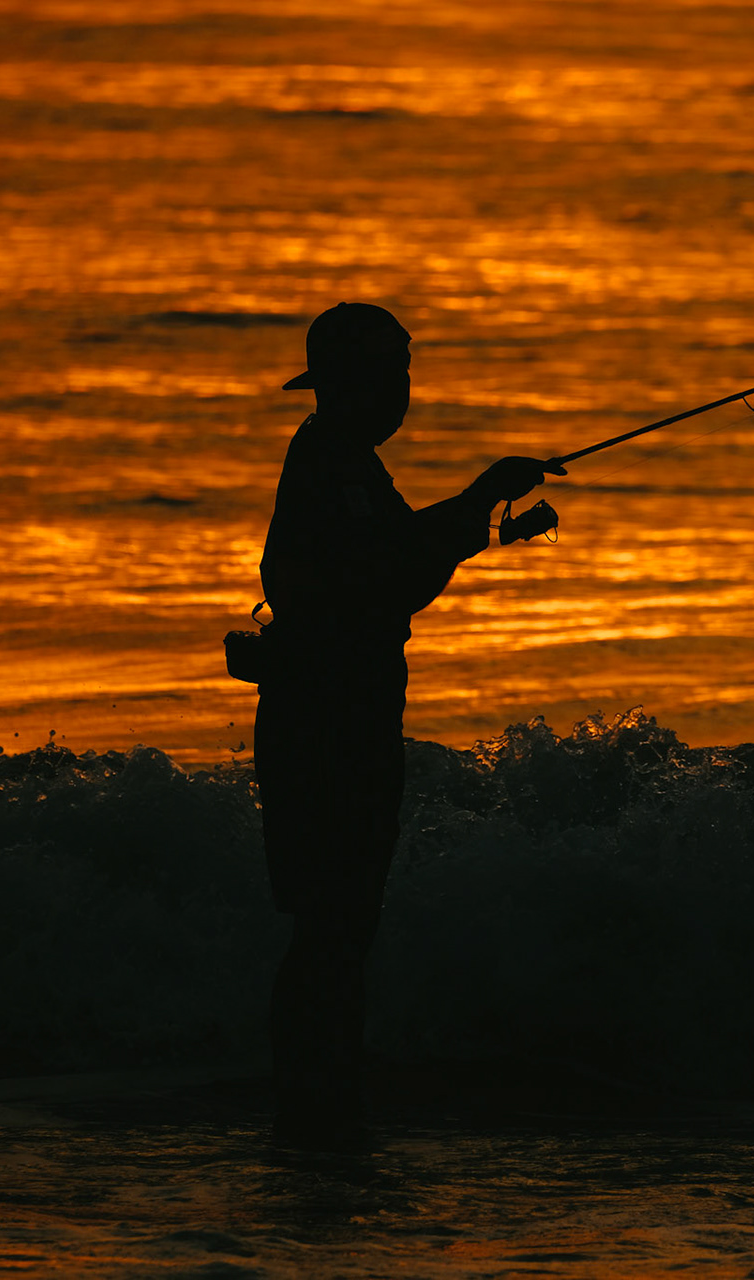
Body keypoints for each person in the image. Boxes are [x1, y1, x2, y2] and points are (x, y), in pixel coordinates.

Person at [254, 302, 560, 1147]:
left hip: (329, 714)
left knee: (335, 920)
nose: (400, 395)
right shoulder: (335, 464)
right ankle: (315, 1108)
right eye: (388, 378)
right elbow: (390, 577)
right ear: (350, 386)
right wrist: (476, 508)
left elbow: (390, 552)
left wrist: (482, 501)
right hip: (329, 723)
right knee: (335, 922)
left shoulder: (341, 463)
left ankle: (317, 1101)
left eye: (403, 376)